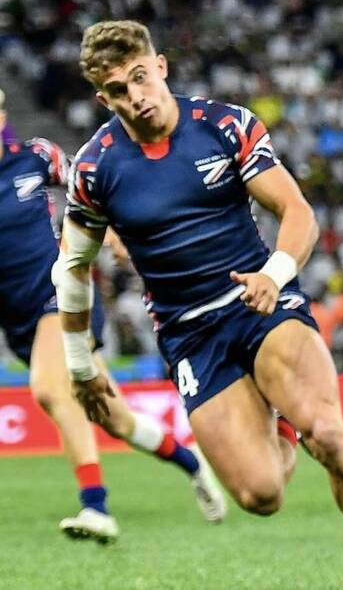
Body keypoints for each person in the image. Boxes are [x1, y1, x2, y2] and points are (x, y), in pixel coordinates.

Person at [55, 21, 343, 589]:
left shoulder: (224, 125)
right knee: (260, 494)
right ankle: (285, 424)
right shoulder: (96, 167)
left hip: (261, 302)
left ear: (161, 67)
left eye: (142, 77)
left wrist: (275, 273)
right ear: (104, 99)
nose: (136, 96)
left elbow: (298, 213)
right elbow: (72, 270)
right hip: (190, 335)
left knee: (328, 433)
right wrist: (80, 366)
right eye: (119, 90)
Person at [0, 107, 224, 543]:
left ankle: (96, 506)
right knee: (115, 418)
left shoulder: (36, 156)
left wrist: (119, 234)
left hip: (61, 296)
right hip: (18, 321)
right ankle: (193, 463)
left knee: (51, 389)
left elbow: (91, 191)